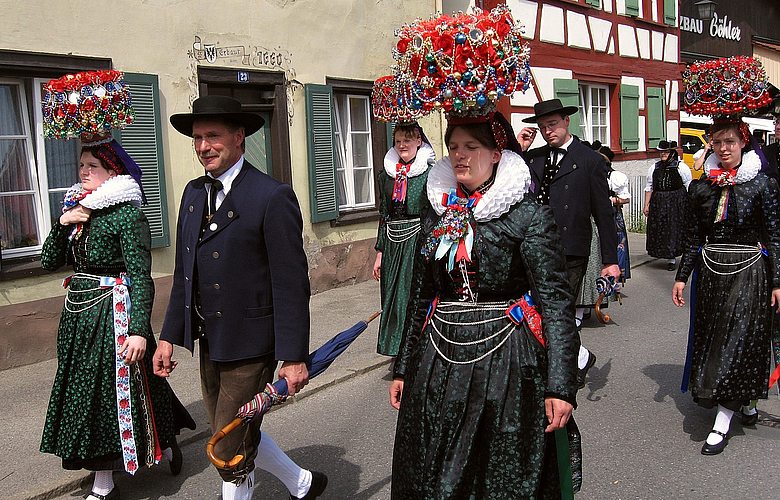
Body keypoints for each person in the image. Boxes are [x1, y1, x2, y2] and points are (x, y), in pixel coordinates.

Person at [388, 6, 581, 497]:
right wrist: (403, 367)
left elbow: (556, 305)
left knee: (499, 473)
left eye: (470, 146)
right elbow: (420, 295)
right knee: (437, 470)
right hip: (439, 360)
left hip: (508, 365)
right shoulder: (437, 210)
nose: (458, 155)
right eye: (453, 145)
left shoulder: (526, 214)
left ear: (497, 152)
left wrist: (561, 384)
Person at [153, 96, 327, 500]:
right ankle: (302, 484)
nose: (203, 146)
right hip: (212, 338)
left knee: (227, 446)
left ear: (239, 138)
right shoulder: (194, 193)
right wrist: (168, 336)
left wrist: (294, 355)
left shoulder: (271, 195)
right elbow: (185, 270)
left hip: (252, 342)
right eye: (197, 138)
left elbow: (290, 282)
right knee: (231, 430)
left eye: (212, 136)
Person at [39, 71, 195, 500]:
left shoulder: (127, 214)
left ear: (113, 171)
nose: (84, 172)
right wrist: (61, 222)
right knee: (110, 384)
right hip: (79, 315)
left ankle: (103, 481)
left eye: (93, 166)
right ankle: (168, 432)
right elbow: (49, 261)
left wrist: (142, 330)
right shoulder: (76, 210)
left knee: (108, 391)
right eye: (82, 165)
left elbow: (140, 274)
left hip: (114, 311)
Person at [673, 119, 780, 455]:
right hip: (711, 275)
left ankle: (722, 421)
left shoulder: (763, 185)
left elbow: (776, 236)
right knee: (715, 340)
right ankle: (744, 404)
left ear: (743, 144)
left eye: (730, 142)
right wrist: (681, 276)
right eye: (717, 142)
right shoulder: (701, 188)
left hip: (750, 272)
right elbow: (693, 238)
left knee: (738, 340)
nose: (723, 148)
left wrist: (778, 280)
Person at [518, 99, 620, 387]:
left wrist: (610, 261)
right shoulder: (535, 158)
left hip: (572, 248)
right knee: (538, 308)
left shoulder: (589, 160)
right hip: (537, 246)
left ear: (566, 121)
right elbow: (507, 178)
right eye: (542, 126)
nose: (547, 131)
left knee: (559, 311)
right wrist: (520, 149)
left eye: (552, 124)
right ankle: (580, 356)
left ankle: (564, 367)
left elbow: (604, 214)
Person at [373, 122, 435, 356]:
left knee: (412, 294)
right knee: (391, 295)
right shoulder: (386, 176)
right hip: (392, 242)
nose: (402, 145)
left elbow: (434, 212)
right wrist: (379, 252)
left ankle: (416, 348)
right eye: (398, 141)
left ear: (419, 141)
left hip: (416, 239)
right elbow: (384, 214)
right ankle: (397, 349)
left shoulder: (429, 174)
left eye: (407, 140)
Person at [644, 140, 692, 271]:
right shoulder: (654, 167)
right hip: (659, 201)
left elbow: (688, 185)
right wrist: (646, 205)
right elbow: (649, 187)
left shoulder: (681, 167)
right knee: (659, 227)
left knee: (673, 228)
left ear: (671, 153)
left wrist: (689, 204)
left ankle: (672, 258)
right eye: (661, 152)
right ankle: (661, 252)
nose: (663, 154)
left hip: (676, 201)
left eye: (666, 152)